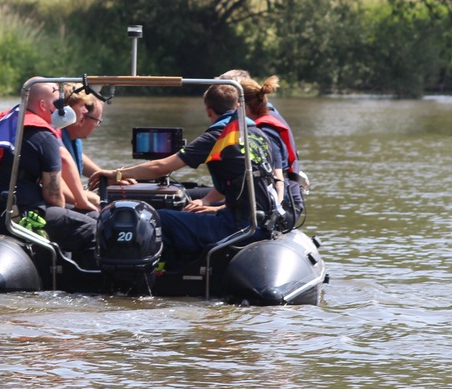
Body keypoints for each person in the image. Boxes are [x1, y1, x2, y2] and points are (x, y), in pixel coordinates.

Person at [89, 83, 282, 259]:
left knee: (158, 218)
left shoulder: (219, 136)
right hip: (262, 223)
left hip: (236, 226)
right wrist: (213, 206)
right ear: (238, 107)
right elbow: (243, 183)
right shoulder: (260, 135)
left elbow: (160, 167)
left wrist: (117, 174)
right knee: (194, 214)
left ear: (208, 111)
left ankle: (158, 281)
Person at [0, 80, 96, 259]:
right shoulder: (44, 137)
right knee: (92, 227)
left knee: (75, 215)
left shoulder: (4, 127)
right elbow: (54, 198)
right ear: (43, 105)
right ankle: (87, 284)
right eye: (57, 103)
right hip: (18, 217)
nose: (62, 108)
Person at [219, 68, 307, 215]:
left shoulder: (264, 131)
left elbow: (277, 178)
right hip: (278, 196)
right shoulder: (267, 115)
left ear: (242, 106)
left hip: (285, 204)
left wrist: (276, 214)